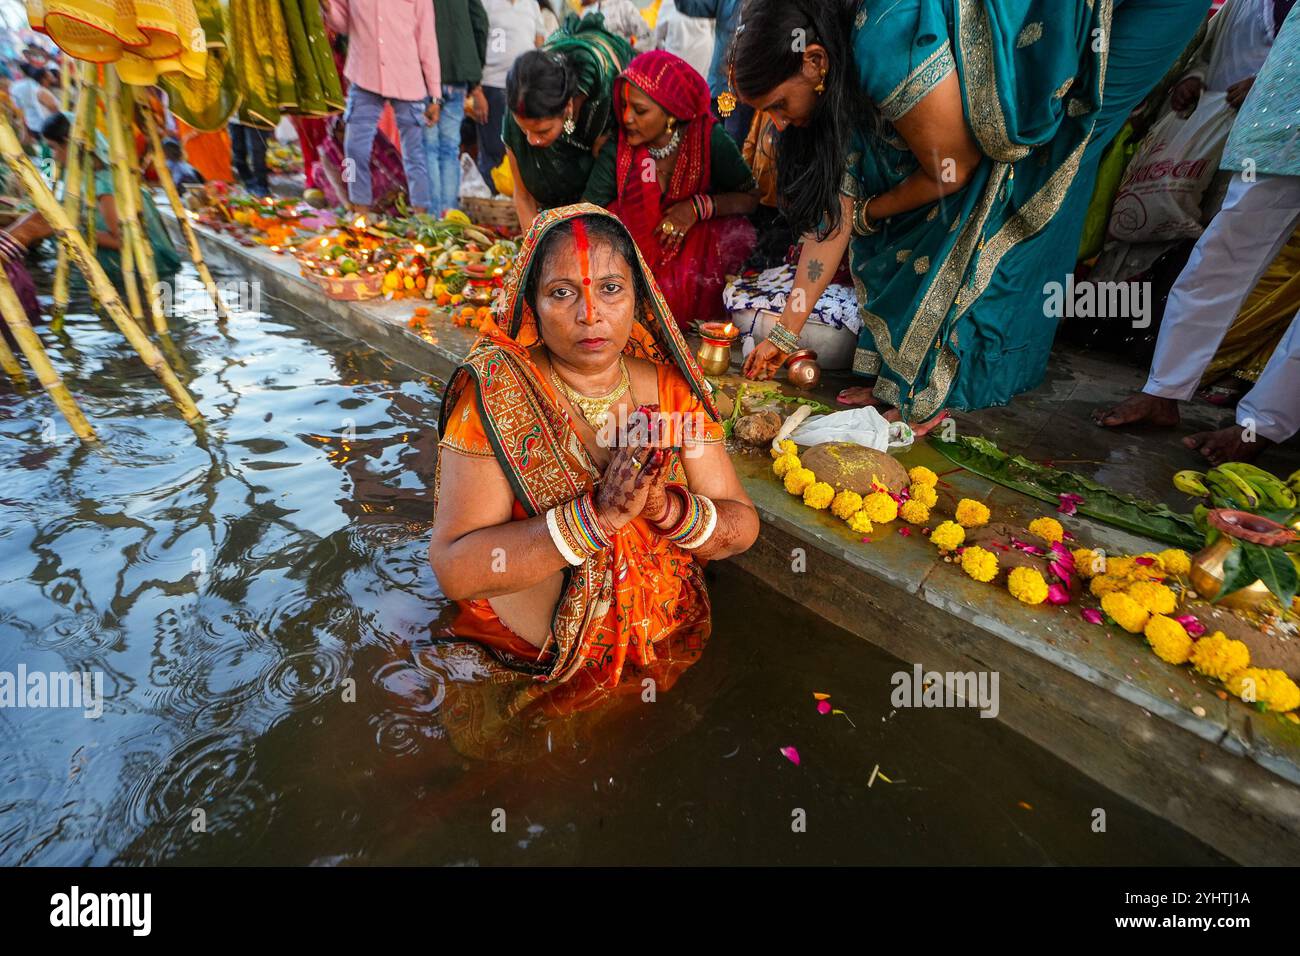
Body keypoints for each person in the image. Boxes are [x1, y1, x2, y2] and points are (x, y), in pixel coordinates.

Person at [736, 0, 1209, 435]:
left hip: (1117, 17)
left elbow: (951, 171)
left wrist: (870, 211)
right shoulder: (836, 71)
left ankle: (955, 383)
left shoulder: (885, 45)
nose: (776, 124)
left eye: (778, 105)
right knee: (930, 205)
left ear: (816, 60)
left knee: (1039, 169)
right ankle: (914, 374)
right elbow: (834, 215)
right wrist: (785, 331)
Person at [430, 203, 758, 715]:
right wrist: (598, 516)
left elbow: (740, 525)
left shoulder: (671, 389)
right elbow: (456, 569)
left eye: (610, 288)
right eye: (562, 292)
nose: (591, 314)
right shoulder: (497, 394)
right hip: (520, 662)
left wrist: (663, 510)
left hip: (663, 647)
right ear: (532, 304)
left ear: (637, 295)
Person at [1095, 2, 1300, 463]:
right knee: (1219, 255)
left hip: (1274, 116)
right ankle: (1163, 390)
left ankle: (1262, 425)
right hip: (1278, 125)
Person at [583, 50, 757, 332]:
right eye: (625, 105)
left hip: (695, 264)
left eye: (639, 110)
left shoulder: (709, 139)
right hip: (632, 258)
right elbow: (588, 209)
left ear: (671, 115)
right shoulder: (620, 147)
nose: (626, 118)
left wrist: (696, 208)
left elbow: (750, 198)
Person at [0, 112, 181, 298]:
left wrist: (66, 230)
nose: (54, 155)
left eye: (54, 148)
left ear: (70, 144)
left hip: (140, 274)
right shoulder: (93, 178)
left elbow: (121, 241)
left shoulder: (104, 184)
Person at [503, 12, 633, 226]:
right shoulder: (519, 103)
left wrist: (575, 236)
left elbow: (600, 189)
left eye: (542, 131)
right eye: (524, 130)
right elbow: (523, 196)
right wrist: (532, 253)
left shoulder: (602, 97)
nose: (531, 140)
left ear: (568, 108)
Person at [324, 0, 442, 215]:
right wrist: (326, 6)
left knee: (414, 153)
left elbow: (427, 40)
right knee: (353, 149)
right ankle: (359, 212)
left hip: (406, 77)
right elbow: (342, 24)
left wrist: (435, 95)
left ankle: (421, 217)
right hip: (364, 74)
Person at [428, 0, 490, 216]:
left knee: (429, 149)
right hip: (459, 73)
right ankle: (449, 216)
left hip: (426, 72)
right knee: (449, 149)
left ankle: (432, 218)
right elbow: (480, 23)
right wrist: (474, 67)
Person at [478, 0, 547, 189]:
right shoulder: (486, 3)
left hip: (526, 87)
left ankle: (519, 198)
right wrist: (477, 90)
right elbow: (477, 39)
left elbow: (539, 39)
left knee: (523, 147)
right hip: (493, 84)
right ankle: (493, 201)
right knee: (494, 149)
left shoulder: (530, 4)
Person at [675, 0, 748, 142]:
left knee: (735, 147)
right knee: (710, 143)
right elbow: (694, 7)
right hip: (719, 88)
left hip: (747, 92)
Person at [314, 115, 408, 214]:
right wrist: (354, 209)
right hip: (366, 208)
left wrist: (398, 193)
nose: (347, 135)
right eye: (341, 131)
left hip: (396, 197)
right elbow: (339, 188)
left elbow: (398, 170)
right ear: (333, 132)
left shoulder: (374, 139)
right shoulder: (330, 152)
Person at [655, 0, 715, 78]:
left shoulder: (669, 3)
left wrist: (661, 47)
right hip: (703, 55)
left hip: (677, 58)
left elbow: (658, 34)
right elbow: (713, 24)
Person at [9, 64, 59, 138]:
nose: (51, 75)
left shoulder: (14, 88)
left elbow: (20, 108)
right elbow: (55, 112)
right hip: (52, 126)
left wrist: (24, 130)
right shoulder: (40, 90)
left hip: (35, 125)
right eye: (49, 74)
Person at [579, 0, 652, 49]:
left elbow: (647, 36)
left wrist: (631, 54)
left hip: (617, 67)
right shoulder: (586, 12)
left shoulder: (622, 5)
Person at [229, 121, 271, 196]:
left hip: (255, 115)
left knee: (257, 151)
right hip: (234, 116)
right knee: (238, 150)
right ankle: (248, 181)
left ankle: (261, 185)